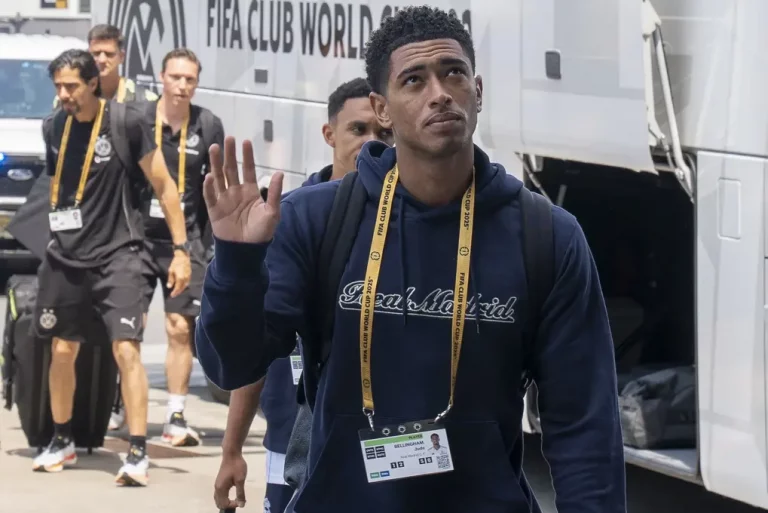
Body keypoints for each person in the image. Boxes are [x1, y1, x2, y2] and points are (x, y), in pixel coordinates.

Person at [196, 6, 626, 512]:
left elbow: (584, 425)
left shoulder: (546, 234)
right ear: (382, 108)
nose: (439, 92)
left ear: (478, 91)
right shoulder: (316, 219)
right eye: (414, 80)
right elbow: (229, 365)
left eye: (454, 73)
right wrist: (237, 263)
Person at [213, 77, 393, 512]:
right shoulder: (287, 218)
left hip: (379, 445)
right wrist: (232, 448)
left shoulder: (407, 222)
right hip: (291, 435)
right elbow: (250, 351)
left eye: (382, 132)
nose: (372, 143)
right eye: (358, 130)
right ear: (329, 134)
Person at [32, 49, 191, 488]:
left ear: (92, 84)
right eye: (59, 87)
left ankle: (137, 451)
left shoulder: (125, 123)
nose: (63, 95)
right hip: (66, 256)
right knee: (62, 350)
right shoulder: (53, 127)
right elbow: (60, 188)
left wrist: (180, 249)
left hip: (119, 254)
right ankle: (61, 438)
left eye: (71, 86)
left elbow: (163, 183)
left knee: (127, 350)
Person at [138, 47, 224, 447]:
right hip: (137, 237)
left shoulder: (207, 124)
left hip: (185, 243)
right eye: (176, 77)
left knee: (178, 327)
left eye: (190, 79)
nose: (182, 86)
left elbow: (216, 185)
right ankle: (121, 401)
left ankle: (175, 413)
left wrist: (207, 245)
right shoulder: (139, 119)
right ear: (161, 77)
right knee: (128, 326)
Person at [53, 24, 158, 109]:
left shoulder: (146, 101)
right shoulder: (68, 101)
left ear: (121, 57)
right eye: (96, 54)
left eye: (109, 54)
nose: (102, 60)